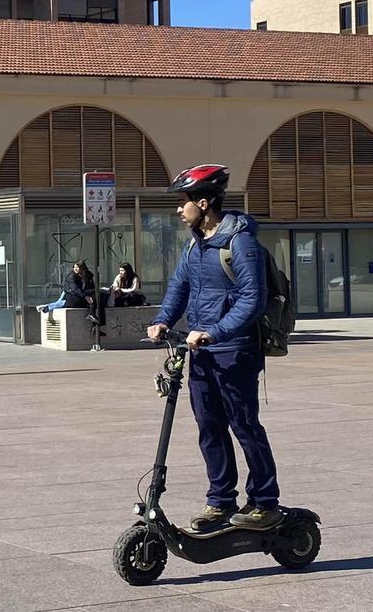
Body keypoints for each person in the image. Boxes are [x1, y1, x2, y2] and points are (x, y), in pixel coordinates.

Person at [145, 164, 282, 532]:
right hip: (201, 351)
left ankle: (265, 500)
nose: (179, 209)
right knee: (209, 427)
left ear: (203, 203)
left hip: (234, 349)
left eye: (183, 202)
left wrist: (215, 332)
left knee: (244, 425)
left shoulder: (240, 242)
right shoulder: (196, 243)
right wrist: (163, 321)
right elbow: (180, 287)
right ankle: (220, 501)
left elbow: (253, 299)